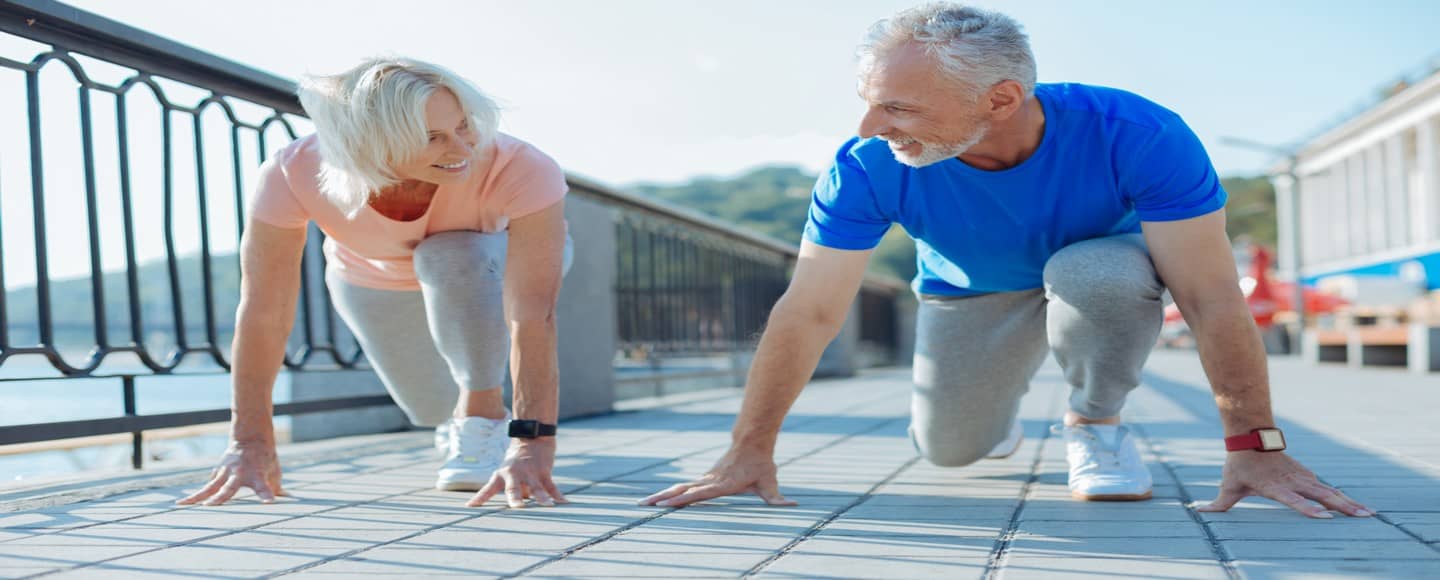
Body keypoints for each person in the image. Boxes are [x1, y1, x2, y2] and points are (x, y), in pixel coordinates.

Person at [642, 3, 1372, 519]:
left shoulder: (1138, 134)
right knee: (951, 450)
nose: (868, 127)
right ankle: (998, 419)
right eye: (868, 103)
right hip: (971, 291)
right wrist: (747, 449)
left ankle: (1095, 424)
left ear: (1000, 98)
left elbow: (1213, 297)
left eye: (898, 108)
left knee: (1095, 274)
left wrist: (1256, 446)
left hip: (1098, 273)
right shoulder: (867, 165)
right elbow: (808, 312)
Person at [178, 57, 570, 509]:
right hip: (370, 276)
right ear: (373, 143)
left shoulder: (520, 166)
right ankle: (466, 419)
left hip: (490, 261)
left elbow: (531, 315)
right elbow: (263, 309)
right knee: (427, 408)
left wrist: (532, 444)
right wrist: (248, 441)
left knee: (450, 255)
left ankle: (483, 415)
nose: (462, 148)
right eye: (433, 138)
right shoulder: (292, 172)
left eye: (464, 126)